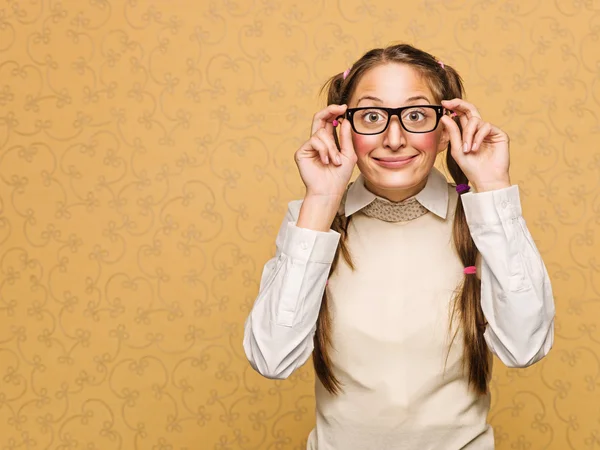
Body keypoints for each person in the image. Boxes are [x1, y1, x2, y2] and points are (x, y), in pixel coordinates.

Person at [242, 43, 555, 450]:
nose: (394, 138)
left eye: (416, 116)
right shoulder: (313, 224)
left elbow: (526, 347)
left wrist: (493, 186)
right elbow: (272, 358)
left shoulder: (482, 221)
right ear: (342, 128)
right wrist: (320, 201)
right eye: (371, 116)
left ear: (446, 130)